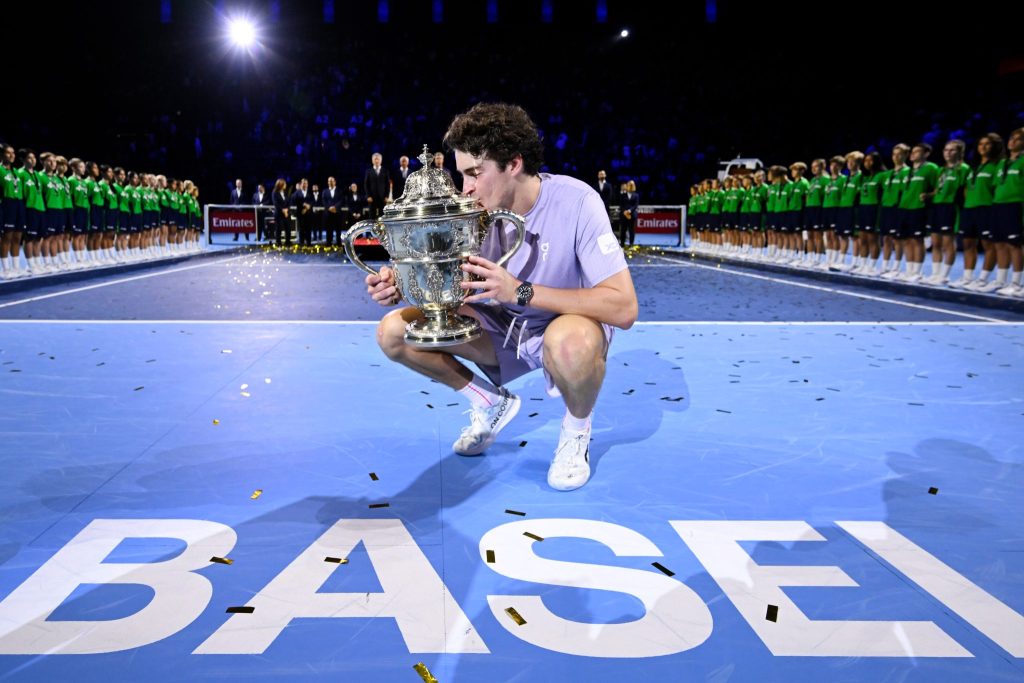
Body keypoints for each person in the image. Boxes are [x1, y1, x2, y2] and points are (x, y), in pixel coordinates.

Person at [365, 103, 638, 491]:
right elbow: (445, 283)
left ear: (513, 163)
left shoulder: (578, 201)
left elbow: (624, 307)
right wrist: (401, 284)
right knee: (394, 331)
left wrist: (521, 291)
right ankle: (489, 401)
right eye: (462, 175)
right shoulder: (471, 212)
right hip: (504, 332)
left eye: (475, 173)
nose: (467, 189)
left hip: (562, 328)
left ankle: (576, 430)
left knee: (570, 343)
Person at [363, 153, 390, 219]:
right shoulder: (368, 171)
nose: (377, 161)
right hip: (372, 198)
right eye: (375, 159)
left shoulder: (385, 171)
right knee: (372, 216)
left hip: (382, 198)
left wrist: (386, 196)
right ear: (372, 161)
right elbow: (366, 185)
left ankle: (382, 229)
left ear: (381, 160)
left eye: (378, 159)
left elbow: (387, 184)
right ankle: (372, 229)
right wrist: (368, 196)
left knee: (382, 216)